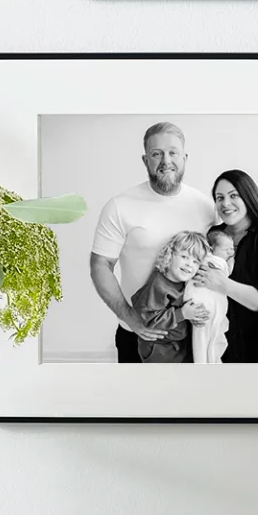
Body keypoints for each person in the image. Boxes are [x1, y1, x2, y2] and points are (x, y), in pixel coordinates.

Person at [88, 122, 219, 363]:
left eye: (173, 152)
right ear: (145, 159)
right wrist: (130, 318)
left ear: (185, 158)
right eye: (156, 153)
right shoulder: (120, 206)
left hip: (190, 338)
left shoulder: (206, 207)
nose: (165, 160)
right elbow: (100, 265)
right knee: (137, 401)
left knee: (188, 401)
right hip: (137, 335)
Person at [192, 169, 258, 363]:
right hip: (225, 349)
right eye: (219, 197)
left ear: (249, 198)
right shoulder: (213, 236)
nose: (225, 203)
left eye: (234, 196)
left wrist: (223, 284)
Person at [125, 232, 210, 365]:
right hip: (159, 348)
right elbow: (146, 319)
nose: (189, 264)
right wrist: (182, 314)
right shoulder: (159, 285)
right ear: (170, 255)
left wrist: (194, 315)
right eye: (184, 257)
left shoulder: (184, 283)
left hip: (178, 345)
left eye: (195, 261)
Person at [185, 227, 236, 363]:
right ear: (211, 249)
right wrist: (232, 260)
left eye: (232, 249)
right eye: (227, 250)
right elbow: (227, 272)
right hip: (204, 304)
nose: (231, 252)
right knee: (207, 339)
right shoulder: (214, 261)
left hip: (202, 306)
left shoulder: (203, 259)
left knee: (203, 340)